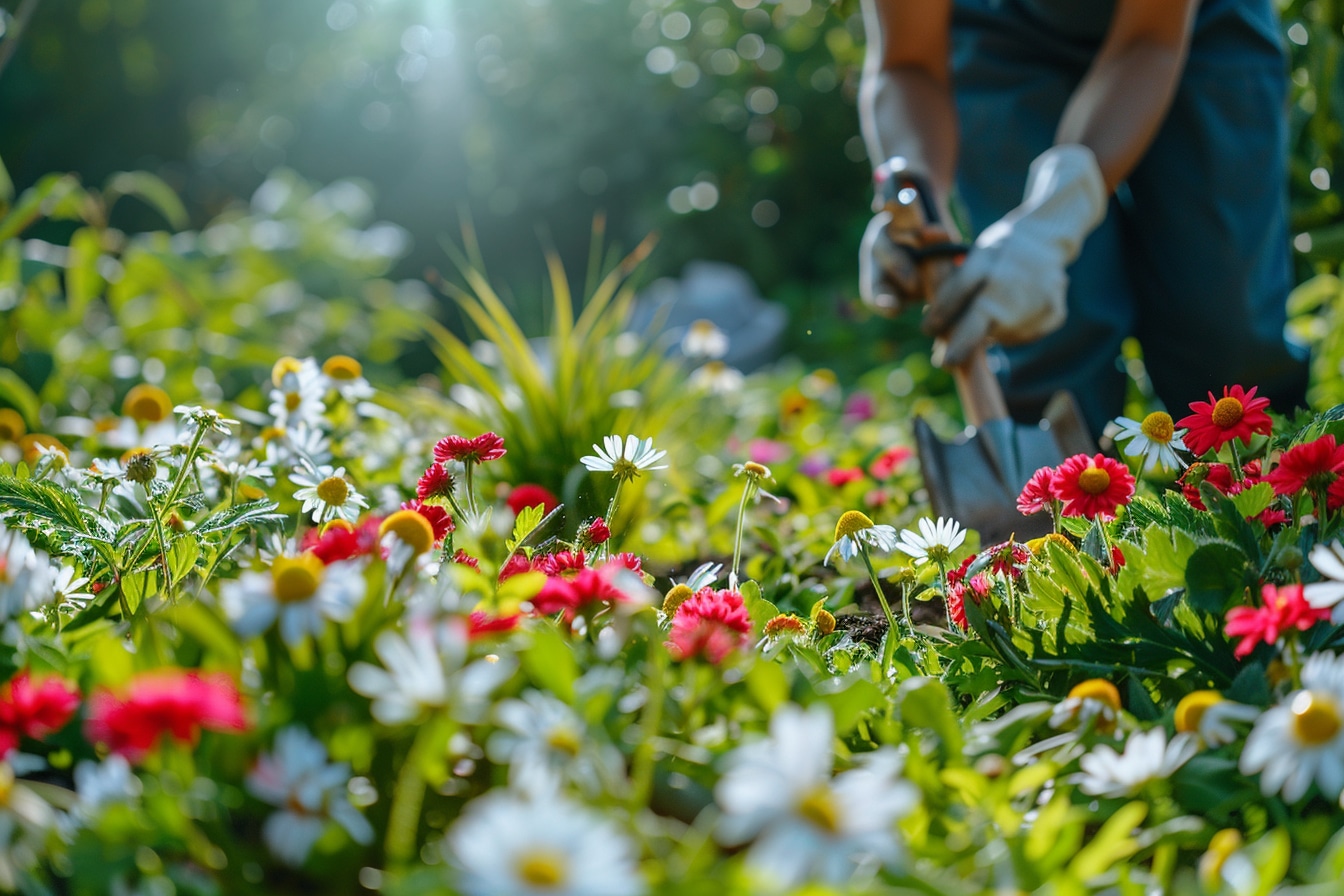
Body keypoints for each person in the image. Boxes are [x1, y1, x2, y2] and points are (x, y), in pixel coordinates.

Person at [857, 0, 1310, 438]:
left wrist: (1052, 222)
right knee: (1050, 346)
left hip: (1196, 24)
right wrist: (910, 193)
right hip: (1003, 34)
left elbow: (1148, 39)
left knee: (1224, 330)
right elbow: (906, 64)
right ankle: (1061, 501)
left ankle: (1266, 492)